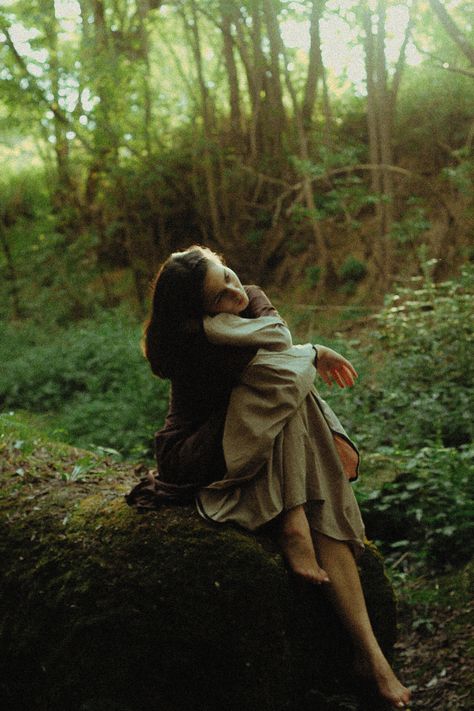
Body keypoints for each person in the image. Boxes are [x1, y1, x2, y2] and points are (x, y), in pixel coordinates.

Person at [126, 245, 411, 710]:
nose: (237, 292)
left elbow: (279, 343)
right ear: (198, 312)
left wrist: (301, 350)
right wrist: (315, 350)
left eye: (231, 276)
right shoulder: (192, 341)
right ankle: (294, 524)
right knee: (283, 386)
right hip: (197, 451)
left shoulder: (248, 297)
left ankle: (371, 657)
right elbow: (283, 365)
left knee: (289, 397)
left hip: (259, 434)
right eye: (221, 297)